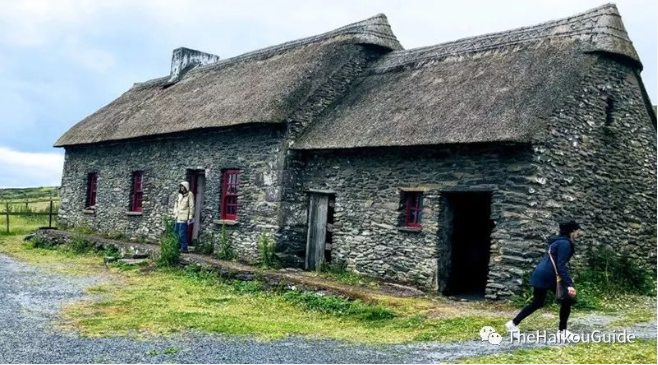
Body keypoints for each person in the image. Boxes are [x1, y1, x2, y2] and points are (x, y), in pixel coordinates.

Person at [506, 220, 580, 340]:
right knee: (567, 300)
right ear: (572, 232)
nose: (578, 234)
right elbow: (561, 265)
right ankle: (562, 332)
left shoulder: (555, 242)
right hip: (549, 275)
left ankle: (513, 324)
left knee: (537, 302)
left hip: (540, 273)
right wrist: (569, 284)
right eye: (577, 232)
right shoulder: (565, 244)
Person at [173, 181, 195, 253]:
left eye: (182, 186)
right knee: (175, 232)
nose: (181, 188)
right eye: (180, 186)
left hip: (184, 216)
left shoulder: (190, 194)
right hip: (178, 216)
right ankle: (175, 245)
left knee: (182, 232)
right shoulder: (179, 194)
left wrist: (190, 216)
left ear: (186, 187)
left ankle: (184, 248)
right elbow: (176, 203)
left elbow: (191, 206)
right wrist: (175, 211)